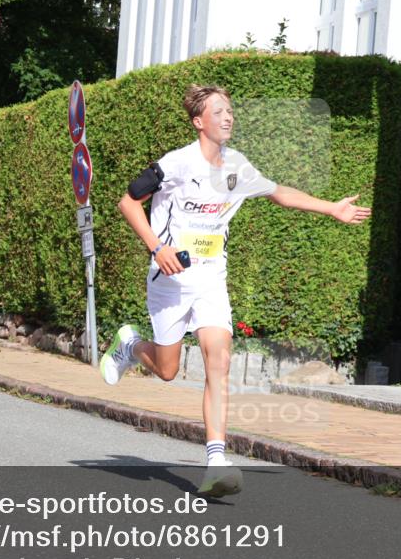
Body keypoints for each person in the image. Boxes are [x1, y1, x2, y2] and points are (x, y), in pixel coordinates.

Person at [102, 84, 371, 496]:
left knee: (220, 360)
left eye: (229, 110)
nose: (228, 117)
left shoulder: (237, 166)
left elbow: (279, 193)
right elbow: (128, 202)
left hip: (211, 279)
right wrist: (157, 248)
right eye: (218, 112)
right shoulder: (176, 163)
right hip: (170, 282)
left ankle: (215, 461)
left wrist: (330, 207)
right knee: (168, 371)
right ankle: (130, 344)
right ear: (199, 122)